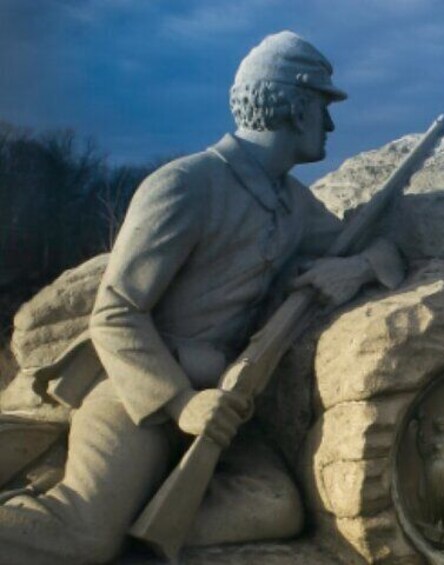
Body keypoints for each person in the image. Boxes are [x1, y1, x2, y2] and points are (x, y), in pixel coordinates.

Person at [0, 30, 403, 564]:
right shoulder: (187, 185)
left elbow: (384, 248)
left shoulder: (292, 205)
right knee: (84, 534)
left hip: (222, 404)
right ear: (294, 105)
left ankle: (137, 519)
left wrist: (355, 269)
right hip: (140, 396)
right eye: (323, 106)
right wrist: (181, 404)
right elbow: (116, 313)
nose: (329, 124)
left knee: (277, 506)